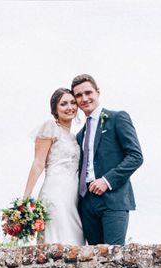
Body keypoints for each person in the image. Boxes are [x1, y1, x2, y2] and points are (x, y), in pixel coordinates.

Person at [72, 73, 143, 245]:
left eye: (88, 92)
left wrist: (107, 180)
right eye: (79, 95)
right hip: (86, 203)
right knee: (93, 260)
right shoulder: (80, 135)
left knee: (113, 258)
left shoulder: (117, 118)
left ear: (97, 92)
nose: (85, 98)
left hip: (113, 199)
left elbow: (136, 156)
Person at [23, 88, 84, 245]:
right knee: (57, 238)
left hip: (73, 195)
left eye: (72, 103)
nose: (69, 107)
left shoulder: (74, 137)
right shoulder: (50, 127)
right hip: (55, 191)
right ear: (55, 109)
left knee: (74, 239)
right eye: (63, 104)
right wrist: (26, 198)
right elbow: (38, 163)